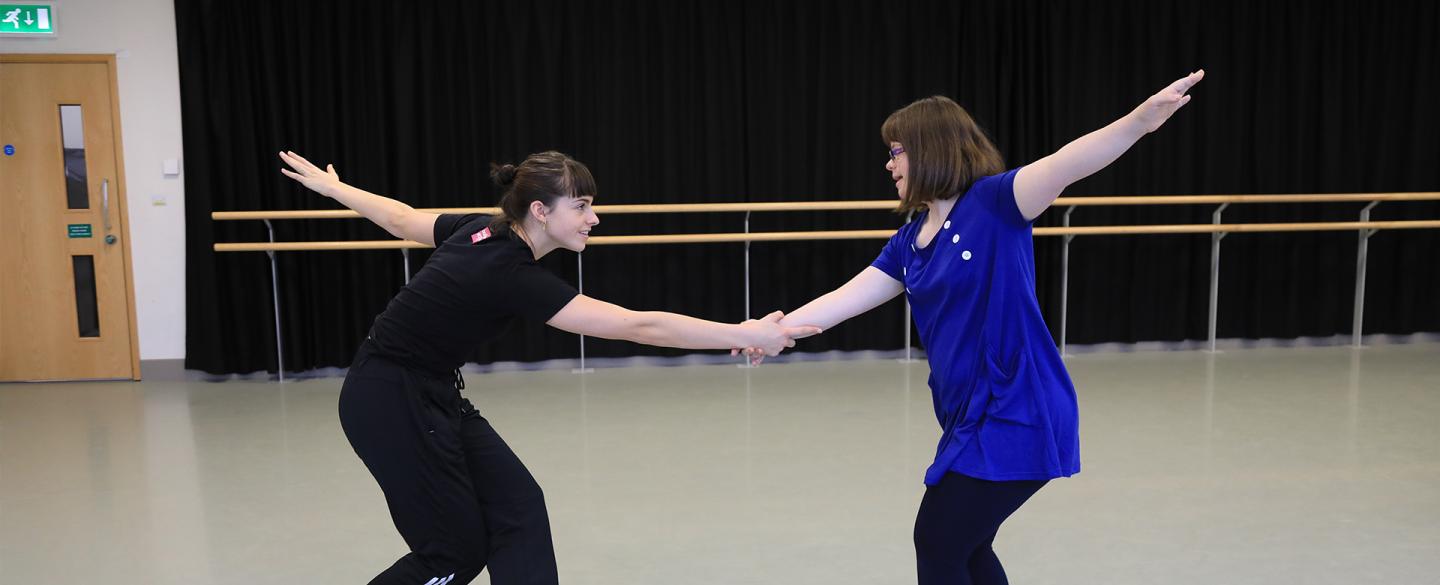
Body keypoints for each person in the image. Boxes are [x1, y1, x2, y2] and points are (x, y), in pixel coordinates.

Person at [741, 70, 1205, 584]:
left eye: (897, 151)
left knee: (938, 539)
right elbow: (846, 299)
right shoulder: (909, 241)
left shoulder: (996, 204)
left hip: (1018, 407)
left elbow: (1067, 163)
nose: (888, 163)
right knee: (967, 547)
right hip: (969, 415)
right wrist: (772, 332)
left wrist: (1139, 121)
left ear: (931, 148)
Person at [278, 149, 820, 585]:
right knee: (451, 554)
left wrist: (337, 189)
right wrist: (744, 333)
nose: (595, 217)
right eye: (582, 206)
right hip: (389, 399)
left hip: (430, 391)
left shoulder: (479, 228)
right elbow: (638, 325)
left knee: (519, 507)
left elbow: (398, 218)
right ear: (541, 211)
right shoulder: (509, 271)